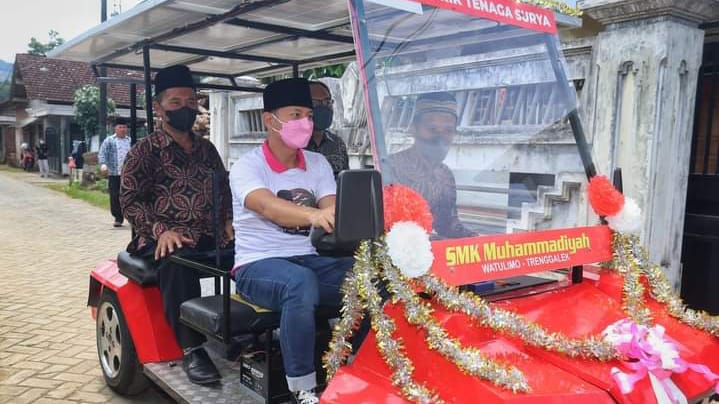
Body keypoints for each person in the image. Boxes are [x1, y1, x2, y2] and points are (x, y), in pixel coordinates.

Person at [229, 78, 353, 404]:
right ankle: (303, 389)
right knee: (299, 283)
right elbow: (267, 206)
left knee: (369, 277)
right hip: (257, 265)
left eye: (309, 116)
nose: (306, 123)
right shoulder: (246, 167)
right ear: (270, 120)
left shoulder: (318, 162)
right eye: (296, 114)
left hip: (310, 259)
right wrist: (312, 216)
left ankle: (359, 369)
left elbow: (332, 207)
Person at [120, 64, 232, 385]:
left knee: (252, 256)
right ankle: (192, 349)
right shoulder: (144, 152)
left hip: (209, 233)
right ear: (159, 107)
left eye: (190, 101)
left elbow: (223, 189)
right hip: (165, 237)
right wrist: (160, 231)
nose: (185, 108)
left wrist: (227, 220)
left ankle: (249, 333)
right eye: (175, 103)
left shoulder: (207, 150)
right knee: (177, 261)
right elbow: (130, 201)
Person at [389, 92, 474, 238]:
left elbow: (448, 224)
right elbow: (392, 227)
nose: (440, 138)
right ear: (414, 129)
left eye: (448, 131)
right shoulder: (391, 168)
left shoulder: (445, 174)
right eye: (432, 129)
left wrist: (477, 241)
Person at [304, 81, 349, 178]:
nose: (323, 107)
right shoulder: (293, 146)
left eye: (327, 102)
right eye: (315, 103)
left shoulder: (337, 144)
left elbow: (346, 183)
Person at [99, 118, 132, 227]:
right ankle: (118, 217)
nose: (122, 129)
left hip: (129, 173)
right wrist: (103, 164)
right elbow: (102, 153)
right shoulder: (109, 140)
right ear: (115, 128)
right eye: (120, 127)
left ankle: (132, 217)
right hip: (114, 173)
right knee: (115, 195)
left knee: (130, 195)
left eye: (124, 127)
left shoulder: (130, 141)